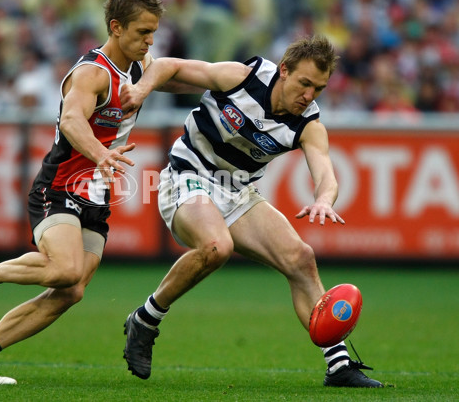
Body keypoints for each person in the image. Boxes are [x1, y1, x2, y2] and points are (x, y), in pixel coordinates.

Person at [0, 0, 167, 385]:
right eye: (142, 32)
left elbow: (170, 68)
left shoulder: (142, 65)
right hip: (60, 187)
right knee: (64, 270)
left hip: (96, 197)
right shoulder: (92, 73)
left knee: (71, 291)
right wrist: (101, 154)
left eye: (153, 32)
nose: (149, 40)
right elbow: (71, 121)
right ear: (116, 27)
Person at [119, 35, 384, 388]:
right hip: (186, 175)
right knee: (217, 247)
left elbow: (326, 175)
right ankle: (147, 318)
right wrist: (140, 91)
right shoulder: (243, 77)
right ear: (284, 71)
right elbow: (171, 66)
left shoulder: (308, 124)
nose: (308, 96)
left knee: (300, 257)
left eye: (318, 88)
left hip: (237, 191)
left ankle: (338, 366)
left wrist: (324, 200)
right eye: (304, 84)